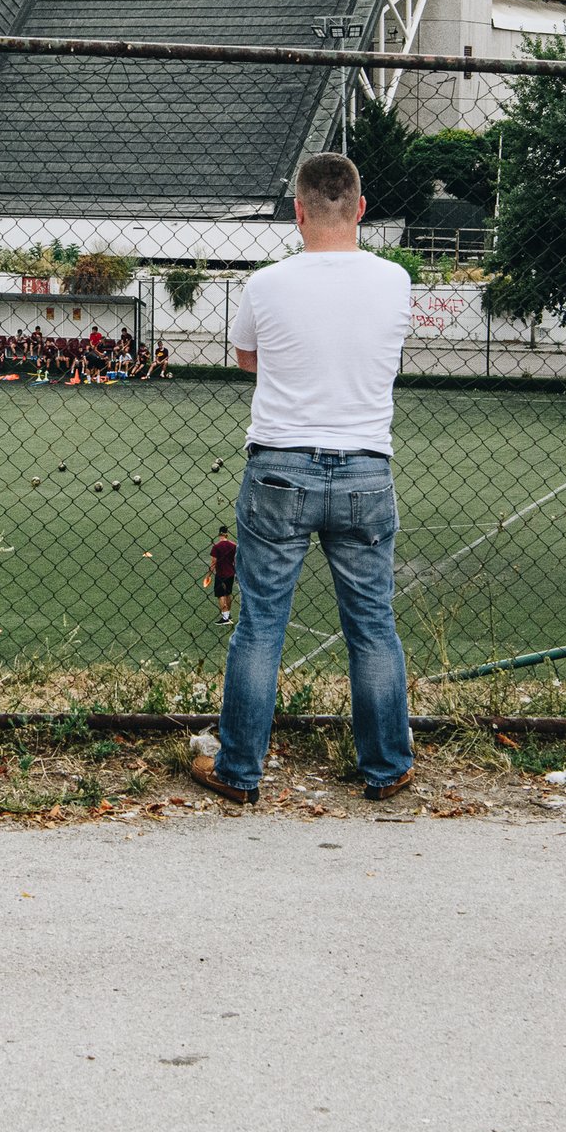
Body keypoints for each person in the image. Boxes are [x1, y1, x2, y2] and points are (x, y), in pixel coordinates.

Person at [190, 151, 415, 807]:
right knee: (372, 627)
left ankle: (239, 771)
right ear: (361, 208)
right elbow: (384, 358)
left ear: (298, 212)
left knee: (259, 627)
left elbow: (246, 358)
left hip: (280, 467)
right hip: (366, 469)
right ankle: (386, 767)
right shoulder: (395, 281)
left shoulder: (266, 284)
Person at [207, 526, 237, 624]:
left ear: (219, 534)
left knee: (221, 595)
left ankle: (225, 618)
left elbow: (213, 563)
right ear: (227, 534)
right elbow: (236, 560)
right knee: (228, 594)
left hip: (221, 574)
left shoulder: (216, 547)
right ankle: (228, 614)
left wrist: (208, 575)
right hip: (231, 573)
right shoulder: (233, 545)